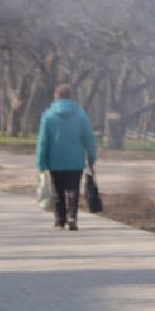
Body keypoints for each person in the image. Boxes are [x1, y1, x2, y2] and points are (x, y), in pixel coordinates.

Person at [35, 84, 97, 232]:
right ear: (70, 96)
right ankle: (72, 217)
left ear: (56, 96)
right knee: (73, 189)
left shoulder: (48, 116)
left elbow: (43, 141)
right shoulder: (81, 115)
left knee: (58, 191)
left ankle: (59, 221)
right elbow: (89, 138)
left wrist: (41, 162)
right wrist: (91, 157)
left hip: (55, 161)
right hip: (75, 161)